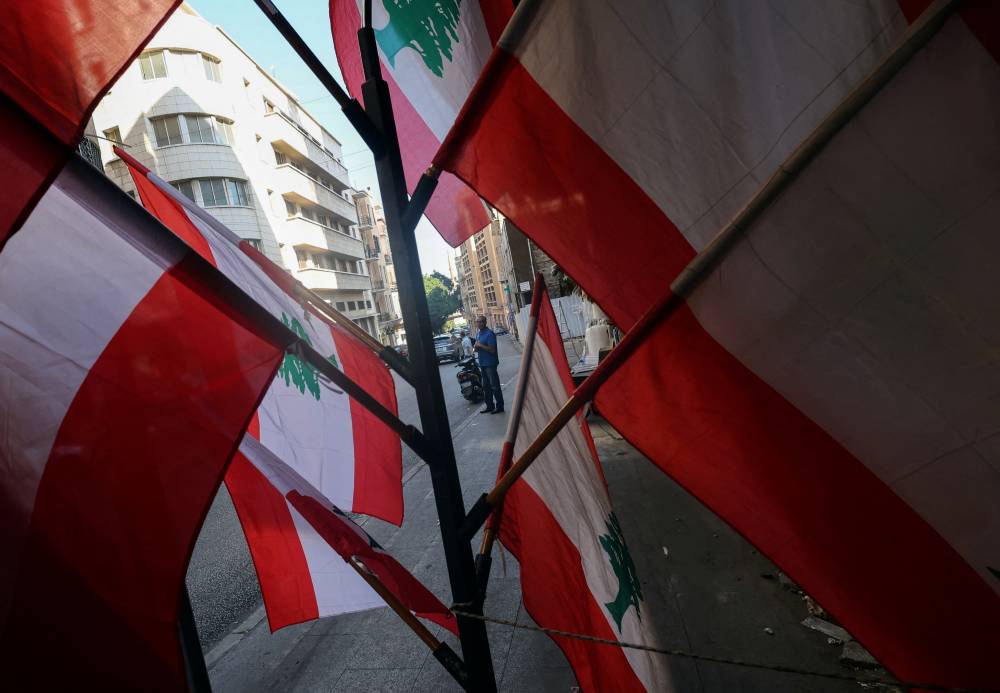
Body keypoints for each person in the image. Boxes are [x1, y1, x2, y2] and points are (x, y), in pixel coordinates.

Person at [473, 315, 503, 414]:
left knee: (494, 386)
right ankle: (489, 406)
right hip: (482, 363)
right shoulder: (478, 334)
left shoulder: (489, 334)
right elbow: (477, 347)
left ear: (485, 322)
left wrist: (480, 345)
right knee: (486, 387)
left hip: (490, 363)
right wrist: (476, 348)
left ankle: (500, 406)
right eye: (477, 322)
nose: (479, 323)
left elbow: (492, 350)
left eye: (481, 321)